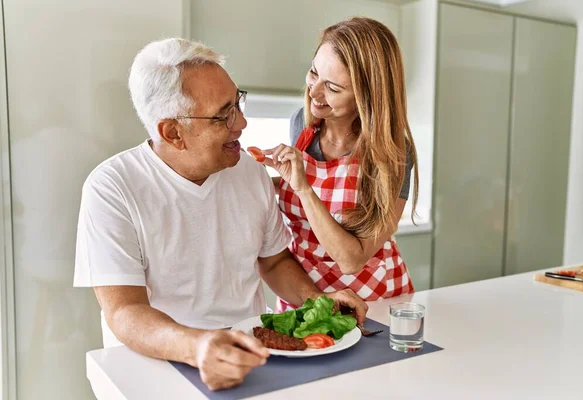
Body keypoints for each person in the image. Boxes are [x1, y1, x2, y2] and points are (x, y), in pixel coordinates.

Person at [73, 38, 367, 392]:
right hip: (156, 365)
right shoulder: (112, 188)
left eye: (238, 102)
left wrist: (317, 301)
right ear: (173, 132)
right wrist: (198, 346)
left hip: (253, 356)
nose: (241, 122)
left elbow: (273, 262)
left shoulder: (249, 171)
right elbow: (125, 312)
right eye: (222, 114)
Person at [260, 17, 420, 312]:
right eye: (313, 72)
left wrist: (303, 188)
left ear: (368, 96)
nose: (314, 92)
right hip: (306, 294)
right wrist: (251, 176)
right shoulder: (302, 125)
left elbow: (351, 259)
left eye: (332, 88)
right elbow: (294, 192)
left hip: (374, 301)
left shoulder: (392, 152)